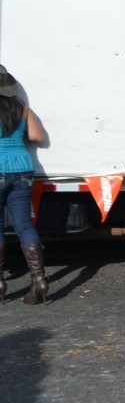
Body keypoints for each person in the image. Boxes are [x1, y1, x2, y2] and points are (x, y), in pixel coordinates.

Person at [0, 65, 47, 304]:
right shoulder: (22, 108)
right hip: (23, 170)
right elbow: (38, 137)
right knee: (24, 226)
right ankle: (39, 281)